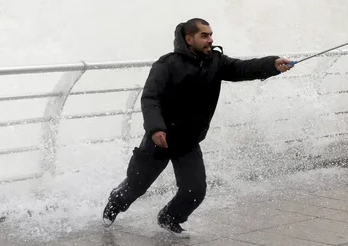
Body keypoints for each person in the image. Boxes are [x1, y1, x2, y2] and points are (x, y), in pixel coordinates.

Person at [101, 18, 294, 236]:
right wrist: (156, 129)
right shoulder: (166, 65)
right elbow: (150, 99)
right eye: (204, 35)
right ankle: (114, 203)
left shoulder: (216, 62)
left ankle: (169, 218)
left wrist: (272, 64)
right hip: (159, 139)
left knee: (195, 191)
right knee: (136, 186)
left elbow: (243, 68)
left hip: (188, 141)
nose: (210, 40)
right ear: (189, 39)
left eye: (211, 35)